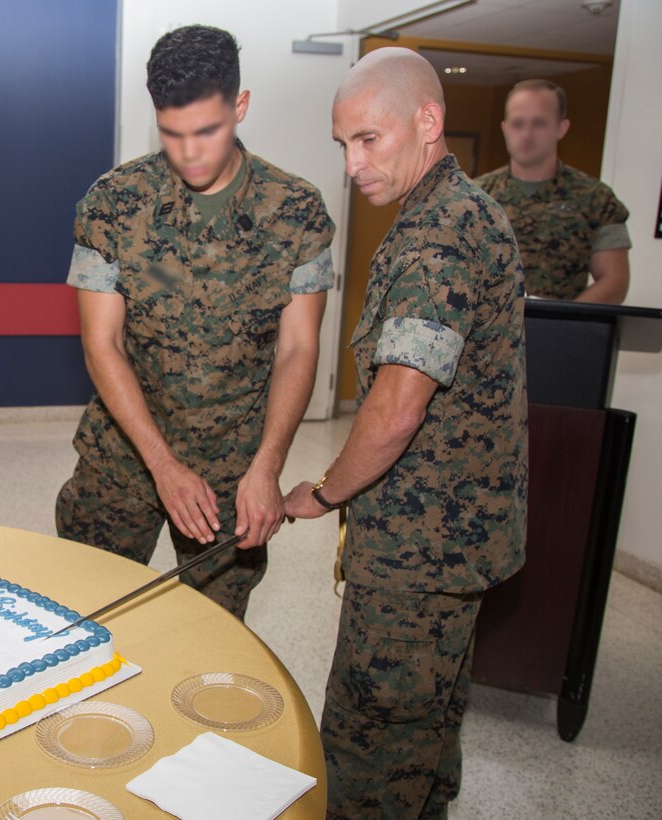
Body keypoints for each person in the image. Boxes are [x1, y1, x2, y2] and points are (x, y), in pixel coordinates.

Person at [283, 48, 528, 818]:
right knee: (427, 721)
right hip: (458, 538)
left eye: (368, 139)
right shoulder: (457, 211)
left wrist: (324, 492)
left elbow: (394, 410)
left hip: (420, 548)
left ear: (427, 122)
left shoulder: (439, 236)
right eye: (343, 145)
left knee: (369, 737)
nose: (353, 163)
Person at [56, 25, 335, 620]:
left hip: (235, 464)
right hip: (125, 454)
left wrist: (268, 465)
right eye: (172, 133)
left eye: (207, 131)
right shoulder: (114, 204)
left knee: (213, 640)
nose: (189, 154)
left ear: (240, 106)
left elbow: (298, 350)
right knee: (88, 613)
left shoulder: (295, 213)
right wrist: (162, 465)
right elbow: (102, 343)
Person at [475, 79, 630, 303]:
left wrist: (563, 321)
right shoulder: (476, 197)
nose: (526, 134)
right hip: (489, 333)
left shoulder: (596, 199)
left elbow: (614, 280)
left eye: (539, 123)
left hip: (564, 330)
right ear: (505, 128)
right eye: (518, 124)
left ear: (561, 128)